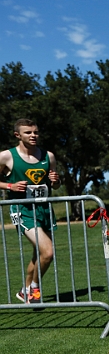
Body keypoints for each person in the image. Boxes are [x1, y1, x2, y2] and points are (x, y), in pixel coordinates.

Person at [0, 119, 60, 303]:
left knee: (39, 253)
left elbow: (56, 185)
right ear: (17, 135)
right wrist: (10, 185)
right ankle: (34, 288)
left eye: (35, 132)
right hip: (22, 210)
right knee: (48, 252)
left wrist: (56, 180)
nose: (33, 135)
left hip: (44, 209)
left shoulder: (47, 156)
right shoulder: (6, 156)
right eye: (28, 132)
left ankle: (24, 290)